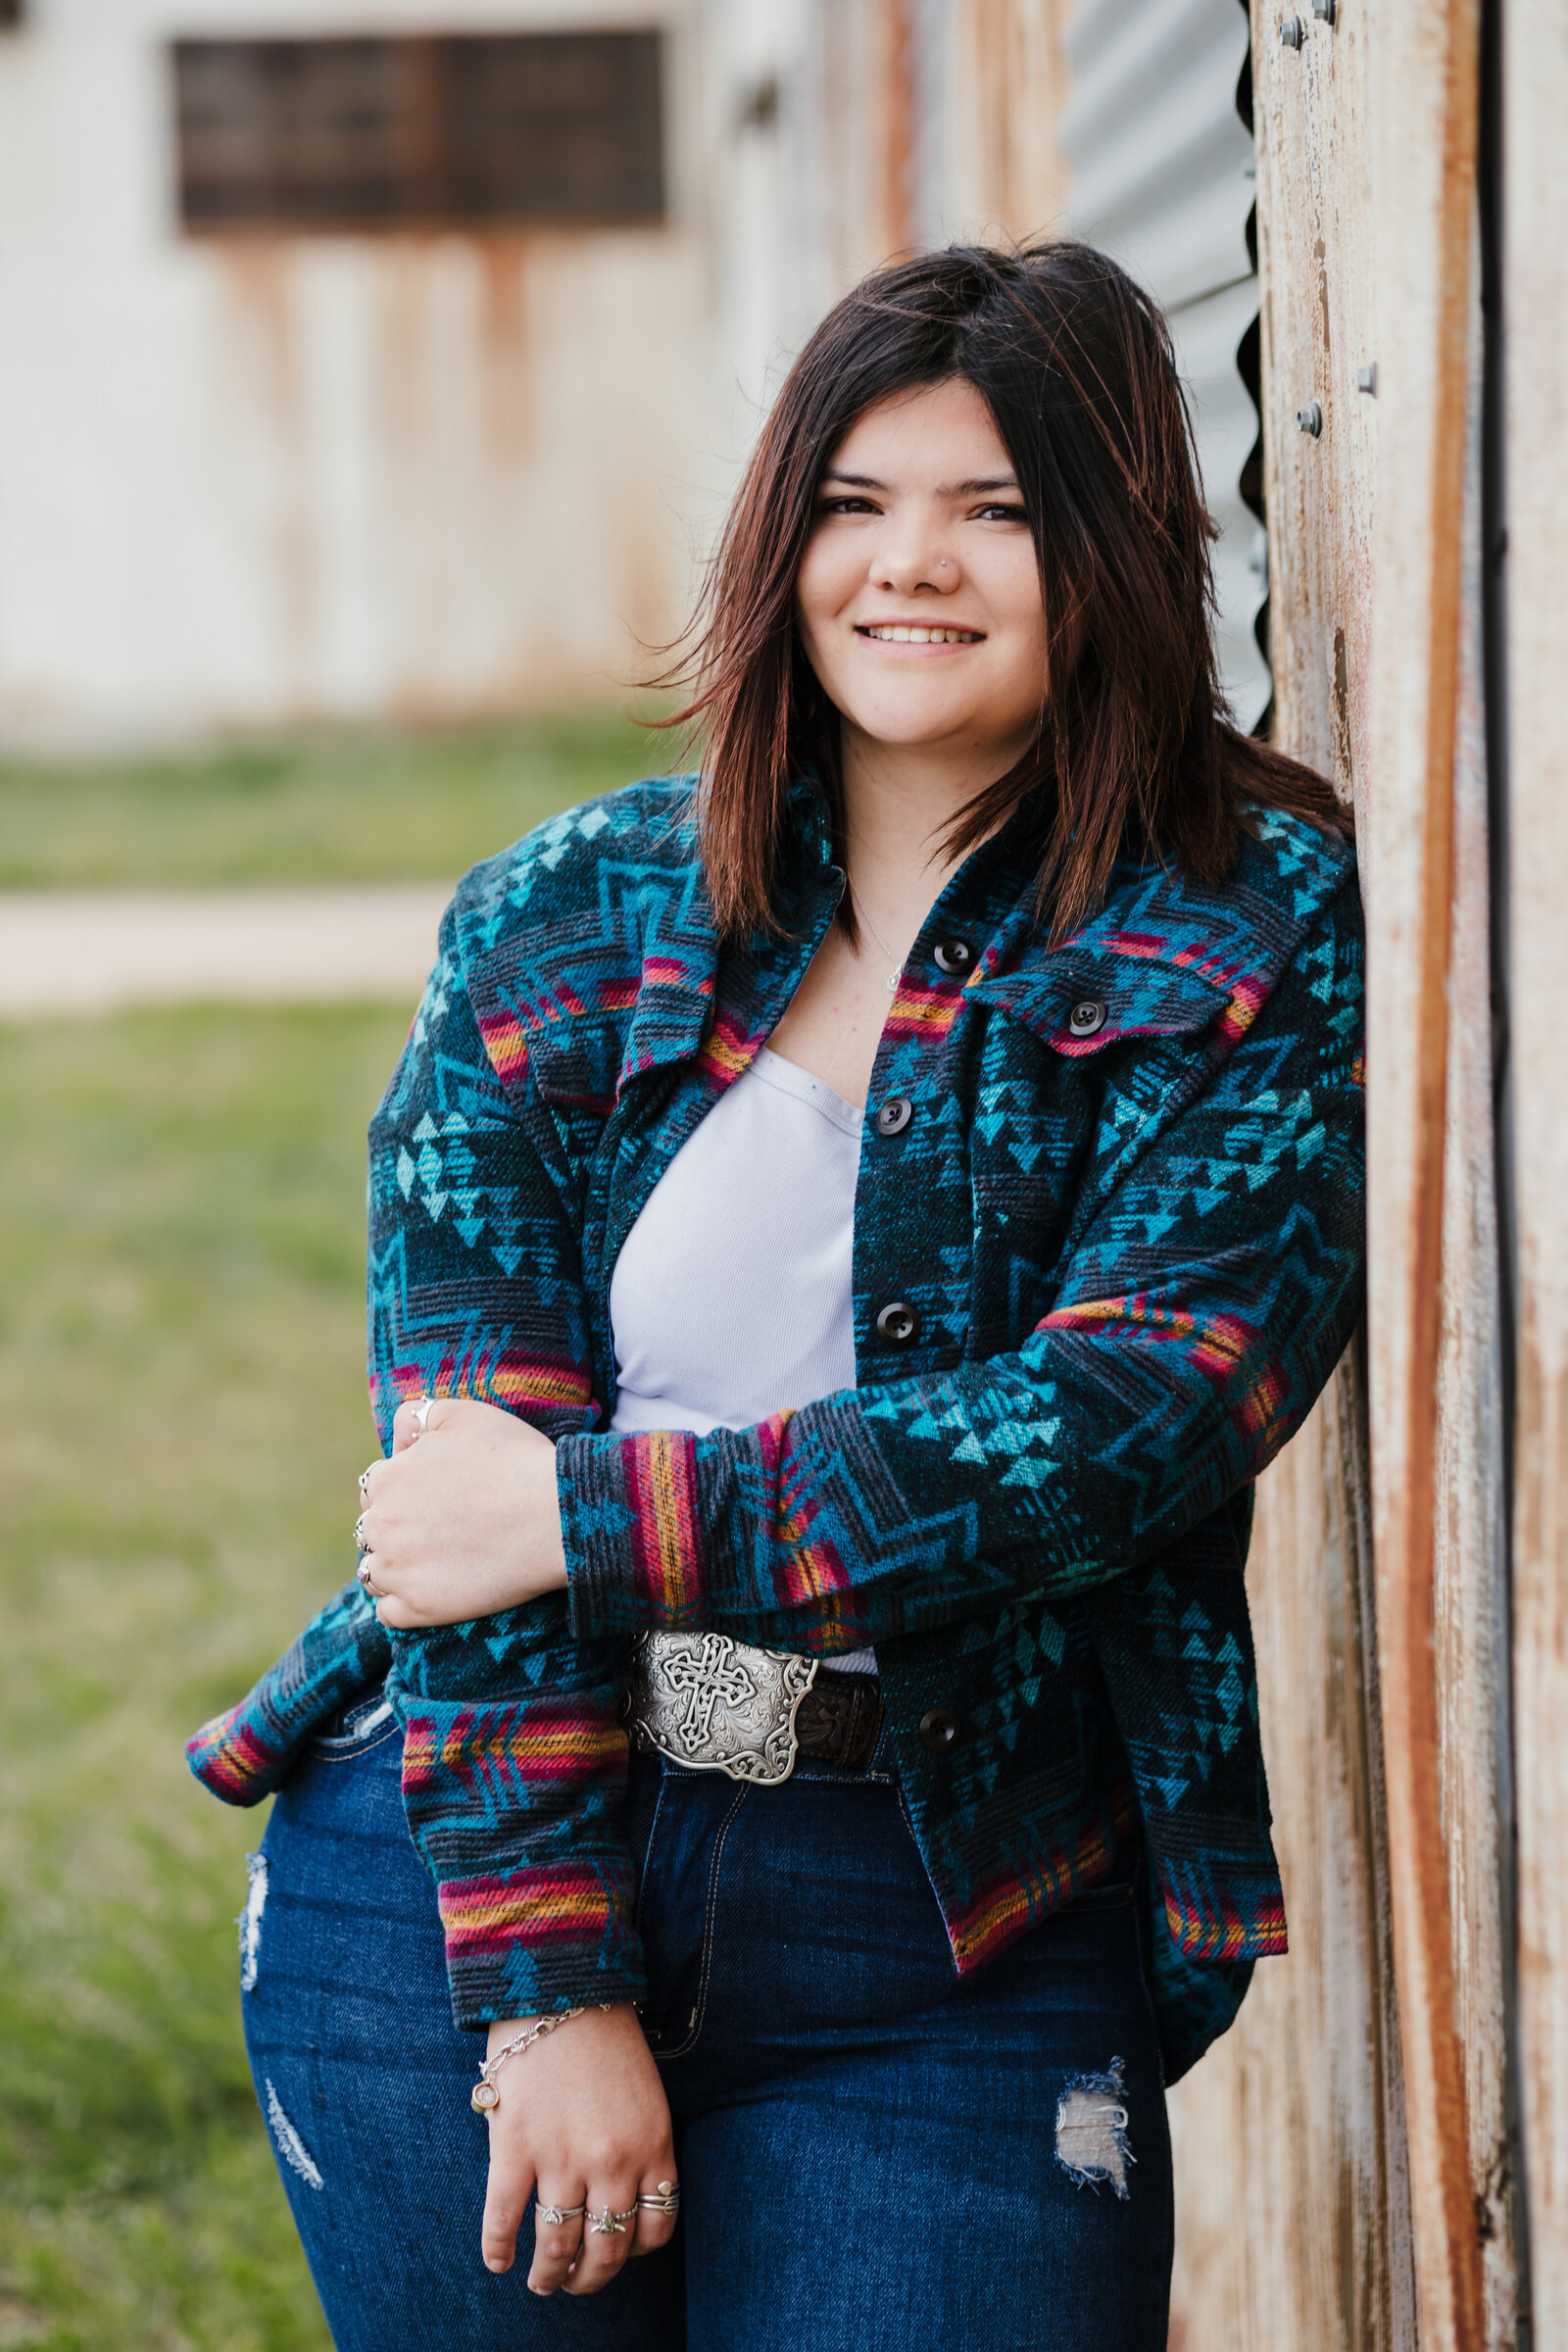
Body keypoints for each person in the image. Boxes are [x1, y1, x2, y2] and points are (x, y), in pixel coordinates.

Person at [188, 240, 1364, 2352]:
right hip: (461, 1881)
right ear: (778, 538)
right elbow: (452, 1472)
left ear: (1109, 550)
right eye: (854, 503)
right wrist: (547, 1985)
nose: (912, 566)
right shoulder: (562, 918)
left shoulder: (1244, 914)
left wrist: (588, 1513)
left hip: (950, 1911)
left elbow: (1131, 1421)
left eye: (994, 509)